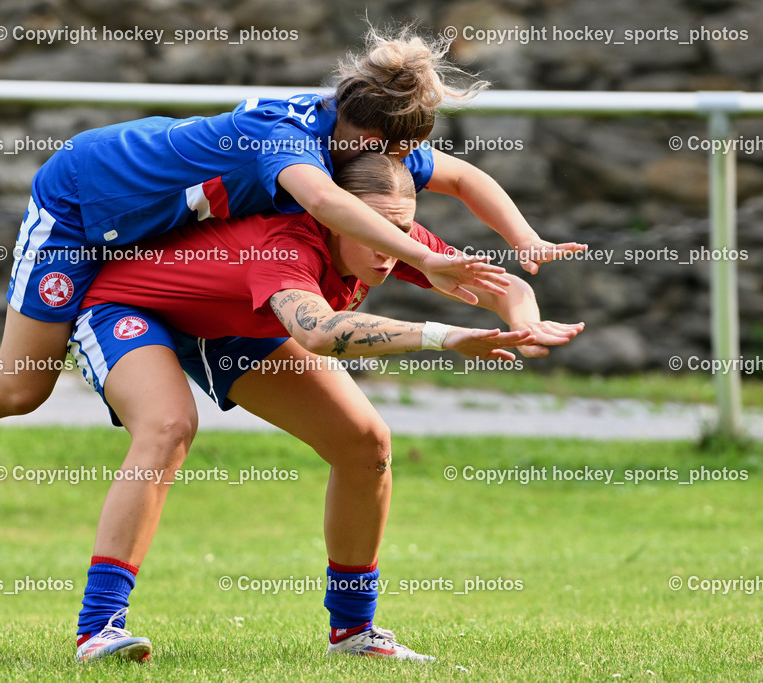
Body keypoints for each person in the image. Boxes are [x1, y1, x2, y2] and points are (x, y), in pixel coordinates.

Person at [0, 27, 586, 533]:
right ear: (364, 134)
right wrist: (426, 260)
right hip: (81, 206)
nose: (400, 167)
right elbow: (330, 205)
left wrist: (525, 243)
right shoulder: (290, 140)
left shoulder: (363, 147)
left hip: (158, 242)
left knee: (343, 434)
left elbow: (461, 177)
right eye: (394, 153)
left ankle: (351, 629)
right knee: (22, 386)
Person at [65, 153, 585, 663]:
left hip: (235, 322)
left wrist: (526, 325)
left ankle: (354, 631)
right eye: (372, 228)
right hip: (129, 306)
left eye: (400, 230)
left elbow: (507, 287)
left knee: (364, 443)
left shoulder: (395, 238)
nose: (388, 247)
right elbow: (318, 331)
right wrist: (441, 336)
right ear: (334, 215)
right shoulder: (287, 243)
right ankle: (99, 629)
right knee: (169, 426)